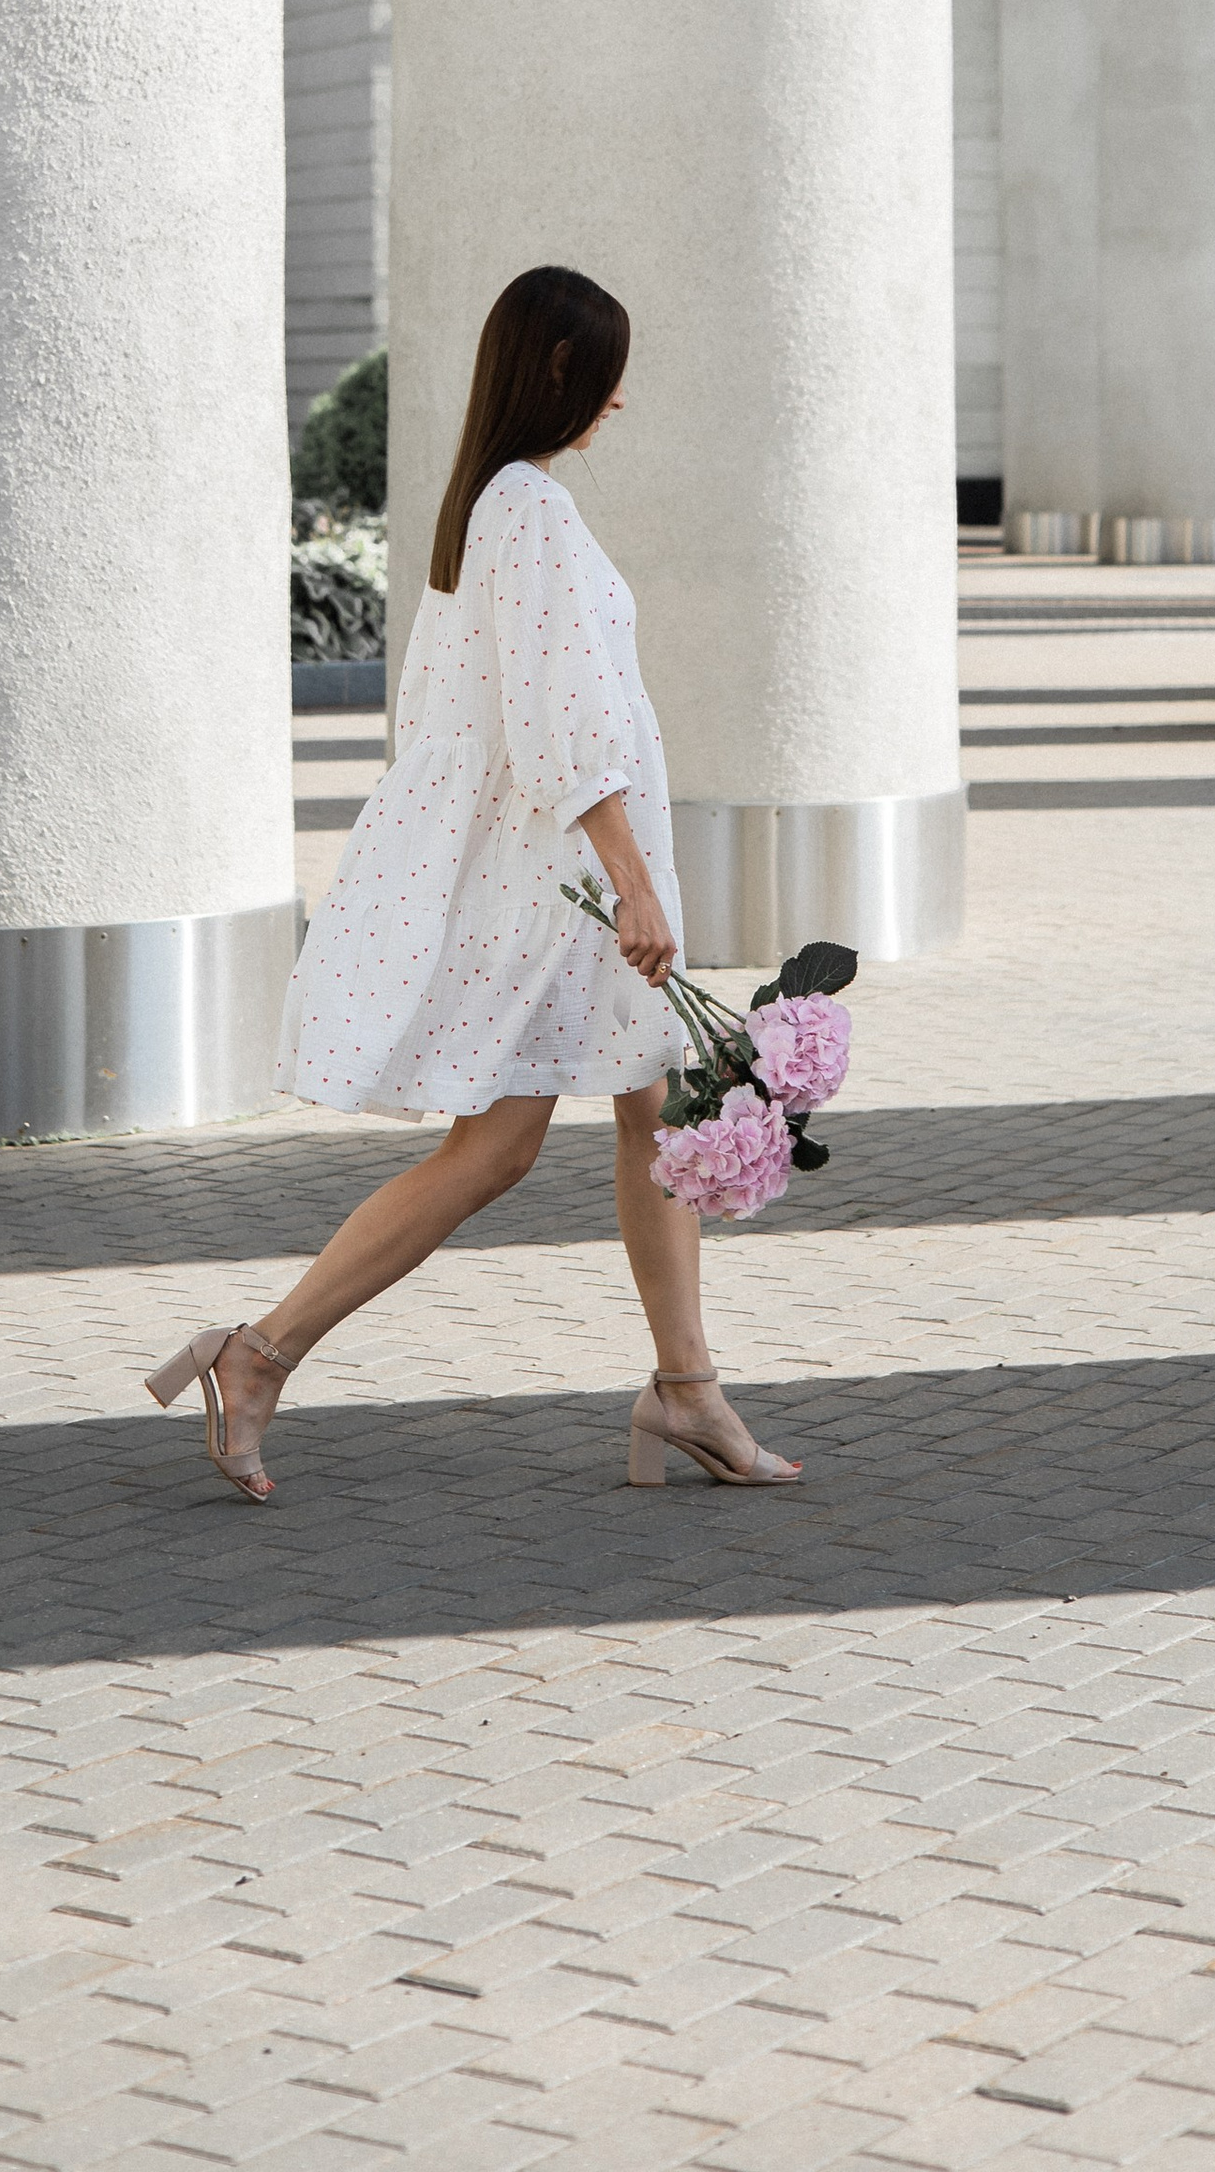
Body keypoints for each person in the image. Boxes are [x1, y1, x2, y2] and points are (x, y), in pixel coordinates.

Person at [145, 262, 799, 1503]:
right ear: (559, 371)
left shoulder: (489, 502)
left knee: (654, 1112)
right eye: (606, 377)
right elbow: (562, 719)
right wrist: (632, 885)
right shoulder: (529, 509)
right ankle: (259, 1353)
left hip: (552, 872)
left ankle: (687, 1387)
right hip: (561, 883)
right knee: (497, 1150)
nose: (619, 402)